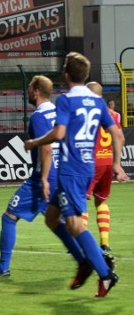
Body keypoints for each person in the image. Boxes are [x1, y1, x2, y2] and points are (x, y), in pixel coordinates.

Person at [24, 52, 128, 297]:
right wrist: (117, 164)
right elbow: (119, 136)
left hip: (72, 170)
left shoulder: (66, 100)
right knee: (51, 217)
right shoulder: (98, 102)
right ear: (86, 75)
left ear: (66, 74)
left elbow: (59, 134)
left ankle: (104, 272)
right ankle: (84, 262)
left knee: (74, 224)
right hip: (86, 166)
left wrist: (34, 142)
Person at [0, 75, 58, 278]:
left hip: (43, 178)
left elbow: (47, 149)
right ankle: (97, 260)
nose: (27, 92)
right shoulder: (58, 112)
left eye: (30, 88)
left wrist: (43, 179)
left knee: (9, 216)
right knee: (67, 224)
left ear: (37, 91)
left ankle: (3, 268)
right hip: (62, 174)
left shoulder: (39, 117)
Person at [83, 81, 122, 254]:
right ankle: (105, 242)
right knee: (102, 202)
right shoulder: (114, 115)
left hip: (92, 163)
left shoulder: (88, 112)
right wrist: (117, 163)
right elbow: (120, 138)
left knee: (80, 201)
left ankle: (80, 242)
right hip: (107, 162)